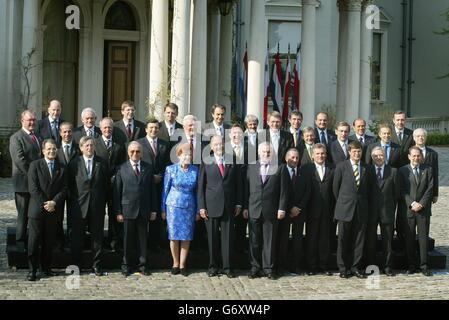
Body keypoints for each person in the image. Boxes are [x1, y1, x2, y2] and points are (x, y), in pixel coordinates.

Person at [198, 135, 242, 278]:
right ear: (211, 146)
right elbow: (201, 186)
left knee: (228, 238)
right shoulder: (206, 161)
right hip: (211, 206)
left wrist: (239, 203)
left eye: (221, 144)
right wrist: (202, 206)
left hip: (229, 205)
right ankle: (213, 266)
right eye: (215, 144)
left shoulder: (231, 159)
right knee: (212, 238)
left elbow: (238, 183)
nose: (218, 146)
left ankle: (227, 267)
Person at [243, 142, 289, 279]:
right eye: (263, 152)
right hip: (254, 209)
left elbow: (284, 191)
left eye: (268, 152)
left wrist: (281, 208)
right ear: (258, 153)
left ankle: (269, 268)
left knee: (269, 241)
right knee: (254, 241)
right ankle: (255, 267)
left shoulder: (280, 168)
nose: (266, 154)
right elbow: (247, 188)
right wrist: (245, 207)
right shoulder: (251, 167)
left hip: (272, 210)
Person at [114, 141, 158, 276]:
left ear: (141, 153)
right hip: (127, 209)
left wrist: (153, 210)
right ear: (128, 153)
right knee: (127, 240)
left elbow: (152, 190)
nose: (135, 154)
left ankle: (142, 265)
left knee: (142, 239)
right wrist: (118, 212)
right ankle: (126, 265)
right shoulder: (122, 168)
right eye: (132, 151)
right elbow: (117, 192)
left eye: (138, 151)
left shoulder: (148, 168)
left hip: (144, 209)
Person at [68, 136, 109, 276]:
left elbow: (106, 185)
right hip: (79, 206)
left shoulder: (102, 163)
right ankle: (76, 266)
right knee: (77, 238)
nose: (90, 148)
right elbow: (70, 186)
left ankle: (96, 266)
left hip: (97, 206)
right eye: (87, 146)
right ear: (81, 148)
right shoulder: (74, 163)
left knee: (97, 238)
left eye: (91, 145)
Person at [27, 139, 67, 281]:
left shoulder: (61, 167)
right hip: (37, 210)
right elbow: (33, 188)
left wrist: (54, 202)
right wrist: (45, 203)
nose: (52, 151)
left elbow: (64, 188)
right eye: (49, 149)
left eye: (54, 149)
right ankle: (32, 270)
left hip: (53, 211)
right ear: (43, 151)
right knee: (34, 241)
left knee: (49, 241)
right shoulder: (35, 165)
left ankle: (46, 268)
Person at [333, 140, 374, 279]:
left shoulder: (367, 168)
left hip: (361, 210)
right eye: (354, 151)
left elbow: (369, 190)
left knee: (359, 241)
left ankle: (355, 267)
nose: (357, 153)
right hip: (345, 209)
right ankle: (343, 268)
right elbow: (335, 189)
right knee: (343, 240)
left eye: (359, 151)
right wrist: (344, 202)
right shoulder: (341, 166)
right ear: (349, 152)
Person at [161, 143, 200, 276]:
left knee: (186, 236)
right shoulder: (170, 169)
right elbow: (165, 189)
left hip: (189, 206)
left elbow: (197, 192)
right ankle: (175, 263)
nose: (187, 157)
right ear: (179, 155)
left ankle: (183, 264)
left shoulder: (196, 170)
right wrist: (163, 209)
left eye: (189, 154)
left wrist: (197, 210)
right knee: (174, 236)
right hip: (173, 206)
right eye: (185, 154)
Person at [398, 146, 434, 276]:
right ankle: (411, 265)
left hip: (423, 210)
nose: (416, 158)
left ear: (421, 157)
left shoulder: (428, 169)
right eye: (413, 156)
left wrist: (421, 204)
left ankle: (424, 265)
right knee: (409, 238)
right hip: (409, 209)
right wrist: (412, 203)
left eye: (418, 156)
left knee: (423, 238)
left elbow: (430, 189)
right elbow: (402, 190)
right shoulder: (402, 171)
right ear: (409, 156)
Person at [9, 109, 42, 251]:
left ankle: (34, 241)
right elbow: (20, 161)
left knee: (35, 214)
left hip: (36, 184)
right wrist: (34, 176)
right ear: (22, 121)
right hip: (23, 184)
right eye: (29, 120)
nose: (32, 122)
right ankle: (20, 242)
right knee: (23, 215)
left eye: (34, 120)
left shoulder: (37, 137)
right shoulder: (16, 137)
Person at [137, 119, 171, 252]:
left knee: (157, 215)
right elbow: (136, 162)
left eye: (156, 128)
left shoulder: (164, 144)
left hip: (160, 184)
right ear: (146, 129)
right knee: (144, 215)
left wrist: (161, 175)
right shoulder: (139, 143)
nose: (153, 130)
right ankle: (142, 246)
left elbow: (168, 162)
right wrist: (150, 177)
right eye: (151, 128)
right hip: (144, 185)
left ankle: (155, 244)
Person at [365, 146, 399, 276]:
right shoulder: (367, 171)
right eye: (376, 156)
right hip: (371, 212)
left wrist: (390, 207)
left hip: (387, 211)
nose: (379, 158)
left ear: (385, 156)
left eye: (381, 155)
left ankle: (388, 267)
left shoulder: (393, 171)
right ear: (372, 158)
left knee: (388, 242)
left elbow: (396, 194)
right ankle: (372, 268)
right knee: (371, 242)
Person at [94, 117, 127, 251]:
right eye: (105, 127)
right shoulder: (94, 144)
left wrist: (116, 176)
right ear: (100, 129)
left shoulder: (119, 145)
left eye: (110, 128)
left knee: (114, 213)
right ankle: (99, 242)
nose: (108, 130)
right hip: (99, 186)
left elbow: (121, 164)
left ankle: (114, 241)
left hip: (114, 186)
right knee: (99, 214)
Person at [277, 148, 310, 276]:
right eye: (292, 157)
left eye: (297, 158)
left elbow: (308, 192)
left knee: (297, 241)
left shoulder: (304, 172)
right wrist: (289, 207)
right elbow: (279, 192)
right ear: (286, 158)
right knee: (283, 240)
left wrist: (298, 207)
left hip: (299, 212)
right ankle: (281, 266)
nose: (295, 160)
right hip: (284, 212)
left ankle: (296, 266)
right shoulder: (280, 171)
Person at [303, 143, 335, 275]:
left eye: (322, 153)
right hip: (312, 210)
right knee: (311, 239)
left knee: (324, 239)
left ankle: (323, 266)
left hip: (328, 210)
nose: (320, 156)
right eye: (317, 154)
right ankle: (311, 266)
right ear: (313, 155)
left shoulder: (333, 168)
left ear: (326, 155)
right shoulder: (306, 169)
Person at [55, 122, 80, 250]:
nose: (67, 134)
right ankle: (59, 242)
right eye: (64, 132)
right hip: (59, 188)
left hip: (74, 188)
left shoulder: (78, 148)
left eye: (69, 131)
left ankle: (71, 242)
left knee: (73, 217)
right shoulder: (55, 149)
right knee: (58, 217)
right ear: (60, 133)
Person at [412, 128, 439, 236]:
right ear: (414, 138)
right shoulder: (408, 152)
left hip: (427, 192)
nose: (420, 138)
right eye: (418, 136)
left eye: (422, 136)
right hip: (412, 192)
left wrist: (435, 193)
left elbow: (436, 174)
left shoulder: (433, 154)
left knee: (424, 223)